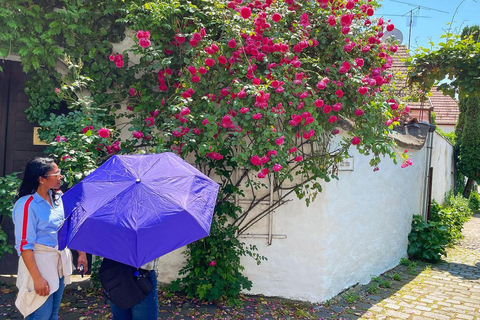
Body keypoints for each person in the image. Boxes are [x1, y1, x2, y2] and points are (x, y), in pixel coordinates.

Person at [12, 157, 88, 319]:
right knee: (40, 314)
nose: (60, 176)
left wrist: (81, 253)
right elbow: (25, 245)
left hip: (58, 264)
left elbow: (70, 226)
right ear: (41, 179)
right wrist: (37, 278)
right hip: (39, 265)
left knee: (53, 314)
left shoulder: (59, 198)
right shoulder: (27, 205)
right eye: (56, 173)